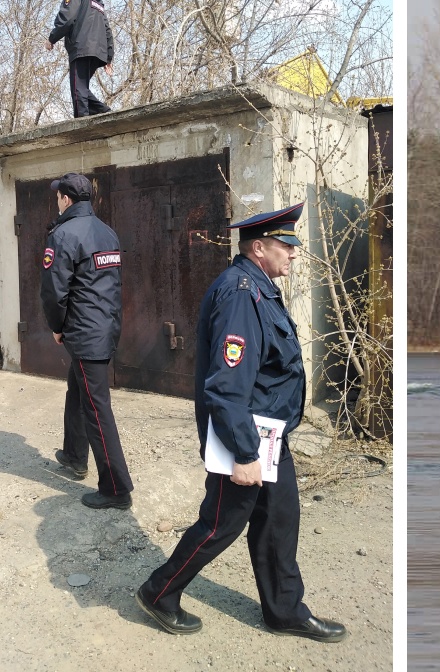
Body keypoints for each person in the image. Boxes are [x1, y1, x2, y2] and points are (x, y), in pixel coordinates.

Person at [136, 203, 346, 642]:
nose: (294, 253)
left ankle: (284, 610)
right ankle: (159, 592)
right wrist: (245, 453)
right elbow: (227, 384)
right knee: (221, 523)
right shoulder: (240, 294)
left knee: (279, 518)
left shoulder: (261, 287)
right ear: (258, 247)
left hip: (270, 435)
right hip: (246, 438)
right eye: (286, 244)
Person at [40, 172, 134, 509]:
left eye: (57, 196)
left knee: (97, 409)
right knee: (77, 390)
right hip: (104, 329)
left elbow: (54, 292)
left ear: (66, 199)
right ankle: (74, 455)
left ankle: (116, 489)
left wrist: (57, 326)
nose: (57, 200)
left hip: (83, 332)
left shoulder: (63, 234)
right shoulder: (106, 232)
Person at [45, 0, 114, 118]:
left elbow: (67, 18)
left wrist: (52, 38)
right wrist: (109, 56)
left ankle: (81, 125)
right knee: (81, 88)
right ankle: (104, 112)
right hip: (99, 51)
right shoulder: (97, 1)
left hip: (82, 47)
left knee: (78, 90)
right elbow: (107, 29)